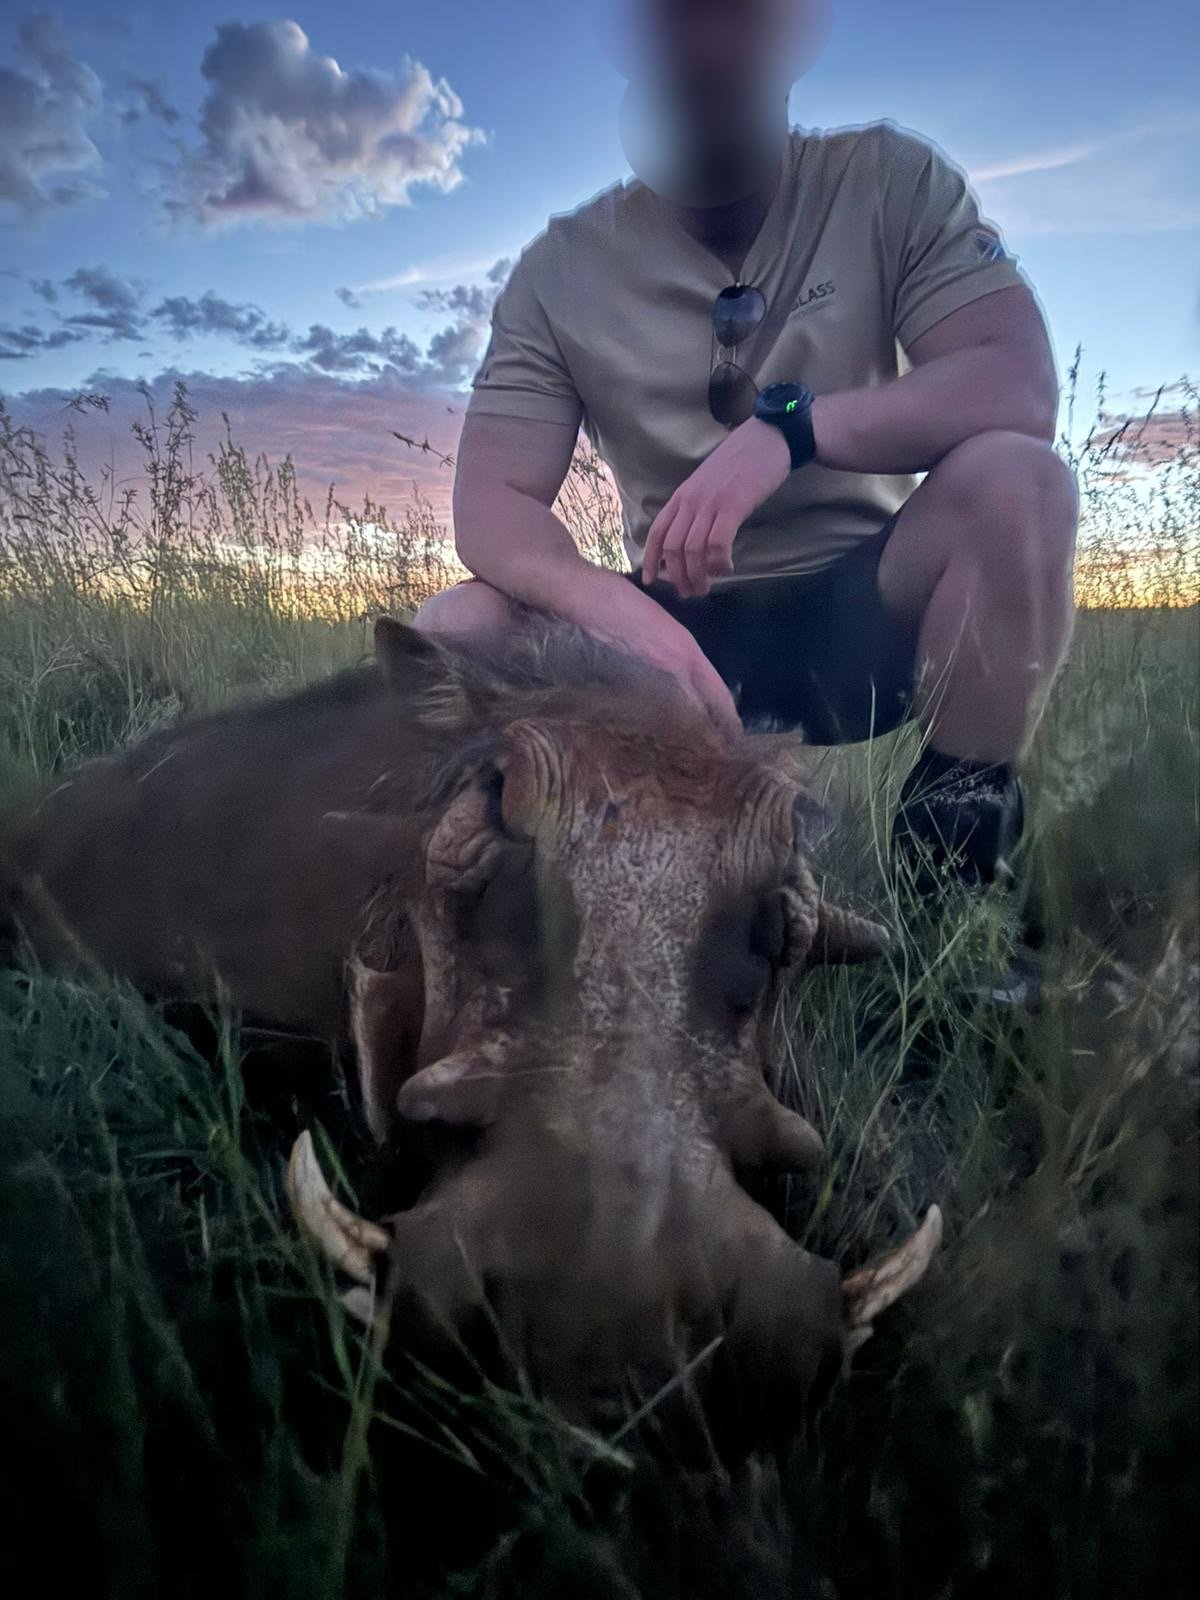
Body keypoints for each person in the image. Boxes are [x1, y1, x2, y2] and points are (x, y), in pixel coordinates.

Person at [417, 0, 1079, 893]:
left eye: (735, 15)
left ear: (782, 34)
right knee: (459, 626)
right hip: (670, 634)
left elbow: (1015, 383)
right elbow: (491, 503)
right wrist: (612, 612)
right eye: (680, 18)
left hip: (864, 614)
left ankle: (956, 892)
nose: (709, 46)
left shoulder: (889, 178)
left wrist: (789, 432)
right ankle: (532, 912)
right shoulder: (559, 267)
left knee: (1021, 482)